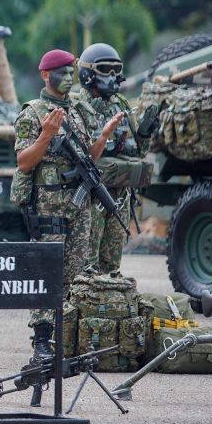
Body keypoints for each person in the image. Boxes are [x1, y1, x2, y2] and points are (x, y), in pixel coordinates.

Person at [13, 49, 123, 361]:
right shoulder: (32, 113)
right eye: (61, 71)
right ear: (46, 75)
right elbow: (23, 162)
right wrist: (46, 135)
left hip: (78, 206)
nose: (68, 77)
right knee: (48, 270)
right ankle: (42, 339)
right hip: (49, 205)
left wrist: (102, 137)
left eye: (71, 71)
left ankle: (68, 334)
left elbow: (89, 158)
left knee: (76, 272)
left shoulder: (77, 110)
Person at [74, 43, 152, 274]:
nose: (111, 76)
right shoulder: (77, 105)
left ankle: (109, 302)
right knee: (87, 261)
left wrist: (145, 133)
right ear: (88, 73)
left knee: (112, 260)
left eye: (115, 70)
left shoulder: (122, 104)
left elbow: (138, 152)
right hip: (92, 194)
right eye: (104, 69)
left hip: (121, 194)